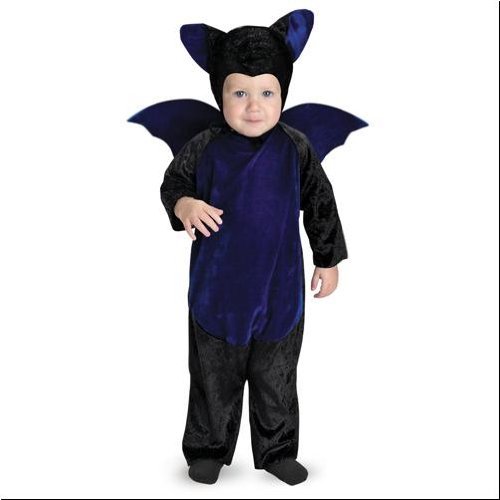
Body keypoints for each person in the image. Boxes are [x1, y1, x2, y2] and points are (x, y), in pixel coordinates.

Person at [129, 8, 367, 486]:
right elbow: (173, 183)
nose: (253, 106)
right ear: (220, 94)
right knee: (212, 379)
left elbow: (321, 201)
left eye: (266, 93)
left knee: (275, 378)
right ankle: (208, 448)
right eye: (240, 93)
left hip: (280, 293)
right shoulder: (204, 145)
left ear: (282, 95)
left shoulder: (296, 147)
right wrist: (185, 205)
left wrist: (328, 259)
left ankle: (277, 450)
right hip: (217, 295)